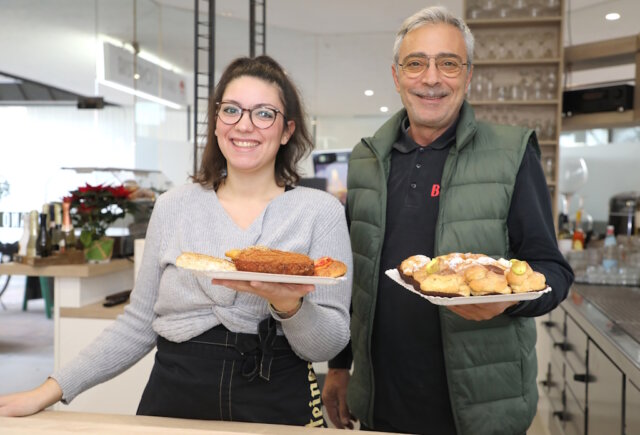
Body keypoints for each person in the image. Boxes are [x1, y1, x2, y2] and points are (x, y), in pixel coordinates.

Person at [0, 55, 352, 428]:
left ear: (286, 131)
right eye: (231, 110)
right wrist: (49, 390)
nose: (244, 125)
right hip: (176, 393)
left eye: (264, 113)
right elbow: (138, 324)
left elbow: (325, 345)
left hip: (277, 396)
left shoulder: (321, 212)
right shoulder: (172, 207)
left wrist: (288, 303)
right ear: (216, 124)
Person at [322, 6, 573, 435]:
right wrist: (340, 366)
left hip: (481, 408)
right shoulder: (366, 158)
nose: (432, 78)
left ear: (468, 74)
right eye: (416, 63)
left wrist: (509, 301)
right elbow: (356, 279)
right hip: (383, 400)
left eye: (449, 63)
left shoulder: (512, 152)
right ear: (397, 76)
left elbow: (553, 271)